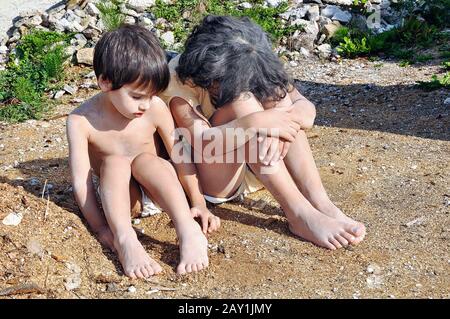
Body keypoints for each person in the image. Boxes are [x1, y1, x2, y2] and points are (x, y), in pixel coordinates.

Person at [160, 15, 366, 250]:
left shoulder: (252, 61)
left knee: (283, 103)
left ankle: (320, 202)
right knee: (244, 104)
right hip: (216, 174)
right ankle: (298, 213)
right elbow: (204, 144)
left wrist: (283, 119)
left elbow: (306, 110)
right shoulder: (179, 80)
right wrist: (258, 121)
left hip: (261, 161)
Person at [66, 24, 219, 279]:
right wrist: (103, 229)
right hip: (121, 200)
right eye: (137, 97)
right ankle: (126, 240)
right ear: (105, 81)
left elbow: (179, 156)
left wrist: (199, 202)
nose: (145, 105)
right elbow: (82, 184)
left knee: (148, 161)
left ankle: (187, 229)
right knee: (115, 162)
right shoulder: (81, 121)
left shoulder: (155, 108)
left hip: (161, 191)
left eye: (151, 96)